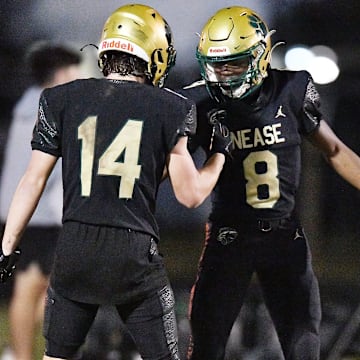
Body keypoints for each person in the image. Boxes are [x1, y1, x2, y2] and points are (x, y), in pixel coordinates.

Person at [0, 4, 231, 360]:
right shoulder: (170, 106)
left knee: (54, 357)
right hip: (134, 255)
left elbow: (32, 180)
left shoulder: (62, 98)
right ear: (152, 51)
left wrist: (7, 246)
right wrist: (219, 154)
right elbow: (190, 195)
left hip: (75, 249)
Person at [180, 6, 360, 360]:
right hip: (229, 237)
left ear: (260, 55)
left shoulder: (290, 89)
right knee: (206, 346)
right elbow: (169, 168)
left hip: (285, 236)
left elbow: (335, 149)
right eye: (217, 64)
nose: (224, 73)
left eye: (234, 63)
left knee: (303, 343)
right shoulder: (202, 108)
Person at [0, 41, 82, 360]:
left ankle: (14, 350)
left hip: (33, 213)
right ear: (61, 72)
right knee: (30, 287)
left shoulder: (30, 103)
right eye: (73, 70)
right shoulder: (46, 106)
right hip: (36, 216)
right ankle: (20, 355)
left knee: (49, 289)